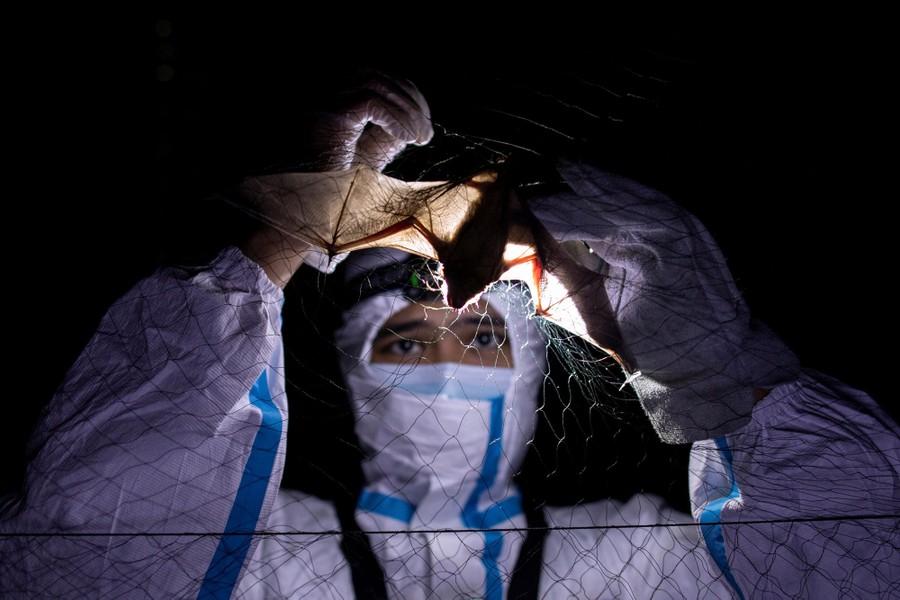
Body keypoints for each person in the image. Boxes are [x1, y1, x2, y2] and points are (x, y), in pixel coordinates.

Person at [1, 71, 897, 599]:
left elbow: (859, 570)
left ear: (534, 367)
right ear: (352, 372)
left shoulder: (631, 557)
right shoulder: (274, 556)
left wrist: (717, 372)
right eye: (404, 342)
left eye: (481, 341)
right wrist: (283, 232)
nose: (443, 369)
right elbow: (80, 552)